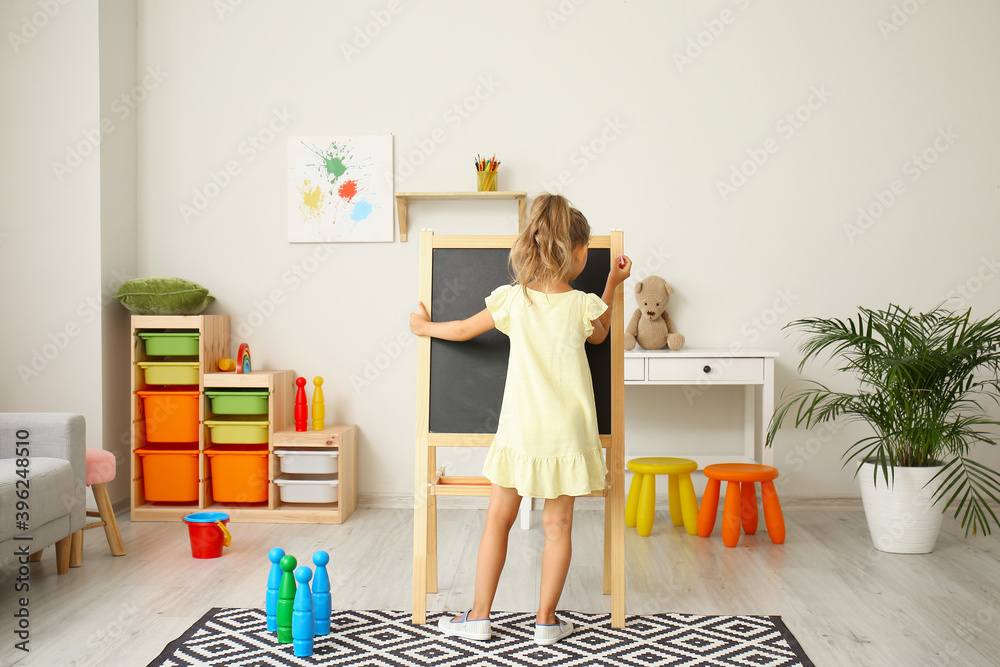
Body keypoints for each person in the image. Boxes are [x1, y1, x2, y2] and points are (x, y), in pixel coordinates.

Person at [409, 193, 631, 645]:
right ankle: (546, 622)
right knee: (559, 526)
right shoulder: (584, 305)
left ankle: (479, 617)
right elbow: (602, 335)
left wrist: (423, 328)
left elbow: (464, 330)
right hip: (569, 433)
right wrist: (613, 283)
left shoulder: (514, 301)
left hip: (520, 430)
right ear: (579, 252)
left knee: (497, 521)